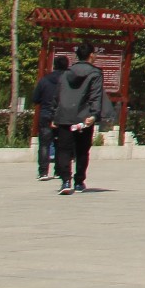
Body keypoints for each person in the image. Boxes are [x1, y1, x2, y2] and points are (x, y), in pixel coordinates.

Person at [52, 43, 106, 193]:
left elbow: (58, 95)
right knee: (82, 150)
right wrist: (94, 114)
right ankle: (79, 181)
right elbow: (95, 95)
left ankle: (65, 181)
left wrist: (54, 114)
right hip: (83, 117)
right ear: (91, 55)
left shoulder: (65, 73)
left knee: (63, 150)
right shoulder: (95, 74)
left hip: (64, 116)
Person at [30, 55, 68, 181]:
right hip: (63, 116)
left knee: (44, 144)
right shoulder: (69, 80)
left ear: (54, 65)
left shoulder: (44, 80)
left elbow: (35, 98)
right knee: (61, 144)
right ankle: (59, 171)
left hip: (46, 114)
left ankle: (43, 172)